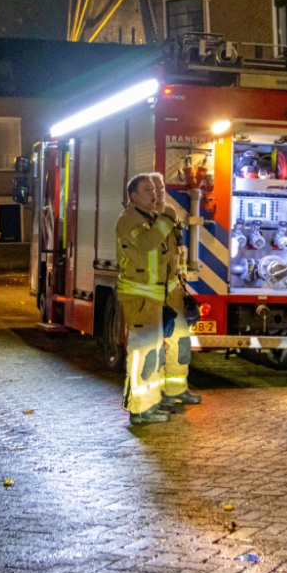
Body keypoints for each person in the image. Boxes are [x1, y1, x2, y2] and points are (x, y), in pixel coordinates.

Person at [116, 172, 201, 425]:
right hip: (141, 297)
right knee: (144, 354)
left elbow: (170, 257)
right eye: (147, 190)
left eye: (156, 189)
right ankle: (140, 409)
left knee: (155, 352)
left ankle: (153, 403)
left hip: (157, 296)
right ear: (133, 196)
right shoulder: (130, 220)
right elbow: (148, 242)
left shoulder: (151, 217)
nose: (154, 193)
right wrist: (168, 217)